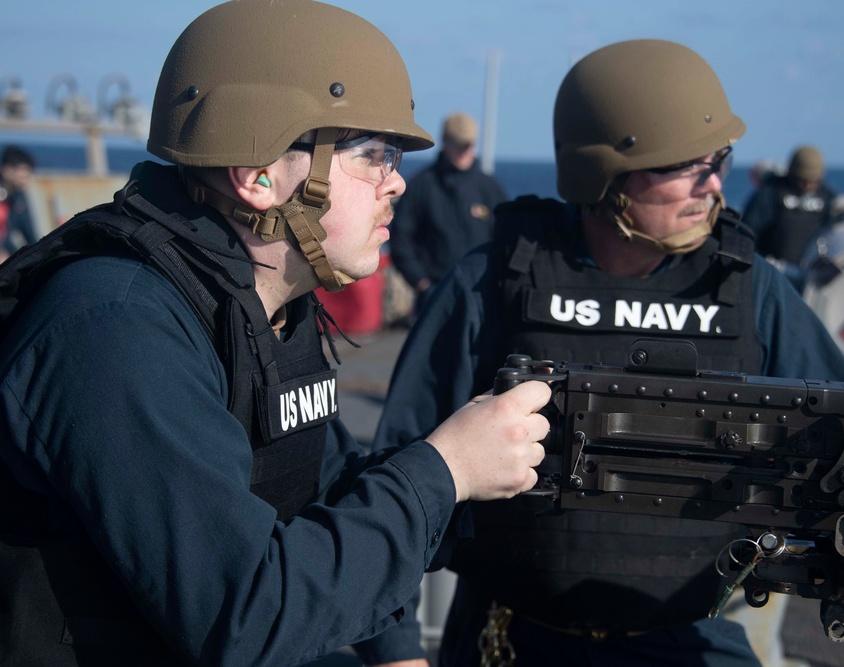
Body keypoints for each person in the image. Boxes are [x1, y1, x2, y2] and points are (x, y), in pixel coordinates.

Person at [374, 40, 844, 667]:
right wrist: (398, 649)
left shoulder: (748, 290)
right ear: (604, 176)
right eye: (684, 165)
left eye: (718, 159)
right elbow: (401, 471)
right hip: (510, 634)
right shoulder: (496, 283)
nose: (714, 184)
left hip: (687, 634)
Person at [0, 2, 551, 666]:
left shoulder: (265, 308)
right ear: (258, 176)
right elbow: (246, 616)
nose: (398, 182)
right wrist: (446, 469)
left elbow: (320, 490)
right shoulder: (116, 327)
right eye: (373, 155)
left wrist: (399, 641)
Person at [389, 111, 508, 317]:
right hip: (434, 296)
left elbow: (506, 239)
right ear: (445, 142)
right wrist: (421, 283)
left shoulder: (489, 188)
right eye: (458, 144)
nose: (463, 152)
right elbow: (401, 238)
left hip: (481, 296)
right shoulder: (421, 186)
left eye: (468, 145)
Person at [741, 145, 839, 265]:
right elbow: (748, 229)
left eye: (812, 181)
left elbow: (832, 231)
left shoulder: (827, 197)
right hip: (772, 265)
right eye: (803, 180)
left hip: (808, 267)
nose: (808, 185)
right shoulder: (772, 192)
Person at [0, 144, 39, 262]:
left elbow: (29, 233)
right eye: (22, 172)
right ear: (7, 170)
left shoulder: (19, 197)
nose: (25, 178)